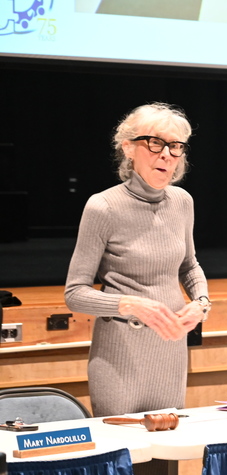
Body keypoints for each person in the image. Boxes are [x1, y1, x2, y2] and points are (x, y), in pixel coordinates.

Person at [65, 102, 209, 417]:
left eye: (175, 146)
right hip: (120, 353)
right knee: (125, 460)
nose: (166, 155)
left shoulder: (182, 202)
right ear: (128, 148)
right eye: (155, 143)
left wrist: (201, 303)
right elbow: (74, 293)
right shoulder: (102, 206)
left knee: (164, 458)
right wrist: (129, 304)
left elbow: (189, 266)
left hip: (170, 349)